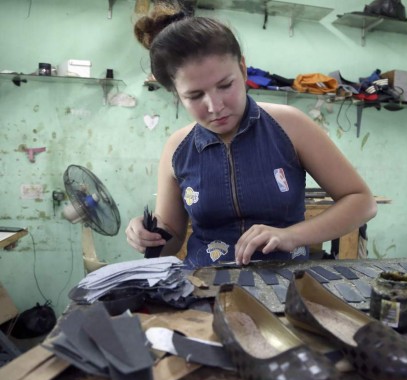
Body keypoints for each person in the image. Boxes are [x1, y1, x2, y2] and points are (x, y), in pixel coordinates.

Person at [126, 5, 377, 268]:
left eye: (225, 85)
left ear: (243, 70)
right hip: (203, 290)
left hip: (285, 287)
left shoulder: (290, 125)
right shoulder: (178, 148)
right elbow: (172, 239)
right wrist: (148, 236)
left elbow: (362, 202)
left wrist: (291, 236)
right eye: (195, 95)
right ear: (176, 95)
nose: (215, 105)